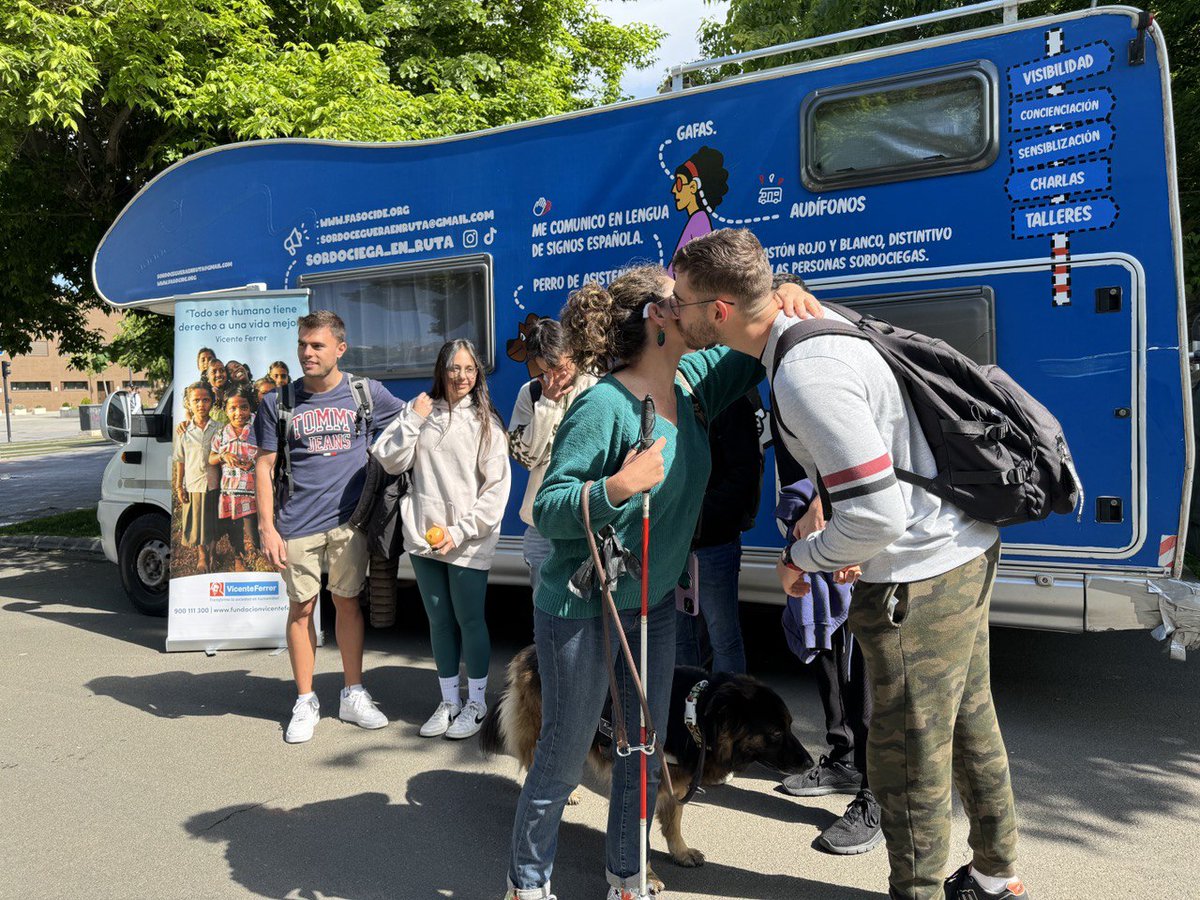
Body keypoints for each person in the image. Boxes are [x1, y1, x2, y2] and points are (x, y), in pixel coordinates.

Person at [670, 228, 1028, 900]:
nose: (673, 311)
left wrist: (802, 557)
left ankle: (916, 890)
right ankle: (995, 875)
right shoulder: (805, 326)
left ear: (719, 310)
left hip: (919, 574)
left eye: (680, 300)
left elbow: (878, 517)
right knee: (969, 722)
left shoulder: (805, 373)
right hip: (960, 548)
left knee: (906, 755)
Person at [503, 265, 821, 900]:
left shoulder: (694, 382)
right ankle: (527, 882)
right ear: (657, 316)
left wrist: (780, 296)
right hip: (584, 605)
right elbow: (550, 507)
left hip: (652, 602)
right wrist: (617, 486)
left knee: (643, 748)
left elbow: (758, 348)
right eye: (684, 299)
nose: (699, 307)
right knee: (565, 751)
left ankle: (627, 876)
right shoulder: (604, 405)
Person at [254, 310, 405, 745]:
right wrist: (267, 527)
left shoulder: (365, 393)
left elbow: (411, 422)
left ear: (340, 348)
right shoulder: (277, 402)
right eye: (303, 344)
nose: (307, 353)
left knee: (347, 604)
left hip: (349, 524)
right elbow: (263, 468)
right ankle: (305, 699)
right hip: (295, 525)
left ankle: (352, 693)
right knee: (302, 609)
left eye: (317, 345)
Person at [371, 339, 511, 740]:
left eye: (469, 369)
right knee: (439, 621)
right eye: (454, 368)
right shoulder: (422, 412)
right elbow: (387, 457)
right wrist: (413, 418)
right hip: (424, 537)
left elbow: (496, 491)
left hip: (467, 539)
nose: (462, 376)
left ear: (477, 373)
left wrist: (459, 531)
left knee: (469, 620)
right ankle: (449, 701)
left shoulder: (486, 423)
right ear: (442, 369)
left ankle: (477, 703)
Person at [776, 480, 879, 856]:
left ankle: (877, 795)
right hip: (838, 531)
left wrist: (822, 500)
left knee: (868, 682)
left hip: (878, 540)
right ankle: (844, 759)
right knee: (832, 655)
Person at [506, 317, 597, 597]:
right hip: (540, 521)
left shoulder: (596, 388)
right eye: (547, 370)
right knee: (542, 603)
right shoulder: (531, 393)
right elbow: (525, 458)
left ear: (573, 352)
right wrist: (547, 405)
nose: (556, 376)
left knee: (585, 605)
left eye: (561, 366)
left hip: (584, 519)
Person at [672, 391, 761, 674]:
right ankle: (684, 713)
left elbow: (744, 473)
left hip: (714, 541)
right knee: (681, 639)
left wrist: (697, 515)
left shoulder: (731, 401)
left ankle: (729, 713)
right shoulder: (666, 394)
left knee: (723, 638)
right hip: (674, 542)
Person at [210, 385, 260, 572]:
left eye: (244, 407)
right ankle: (238, 558)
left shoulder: (258, 429)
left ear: (250, 408)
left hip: (252, 492)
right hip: (230, 492)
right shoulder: (222, 434)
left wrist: (253, 462)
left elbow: (266, 453)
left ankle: (256, 552)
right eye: (233, 408)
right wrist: (223, 456)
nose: (239, 413)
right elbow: (211, 457)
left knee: (253, 527)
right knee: (235, 528)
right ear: (226, 410)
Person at [172, 381, 220, 574]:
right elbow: (180, 460)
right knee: (198, 523)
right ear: (189, 404)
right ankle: (202, 555)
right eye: (196, 400)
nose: (201, 404)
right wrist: (179, 486)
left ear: (212, 402)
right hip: (194, 483)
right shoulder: (184, 431)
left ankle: (213, 552)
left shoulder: (219, 428)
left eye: (206, 400)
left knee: (214, 521)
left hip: (216, 483)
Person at [666, 146, 728, 278]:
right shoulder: (696, 220)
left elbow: (698, 274)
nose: (674, 190)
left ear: (693, 186)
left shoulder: (700, 222)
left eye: (679, 183)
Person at [205, 358, 230, 425]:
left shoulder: (234, 394)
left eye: (222, 370)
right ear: (208, 377)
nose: (218, 374)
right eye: (214, 372)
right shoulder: (204, 398)